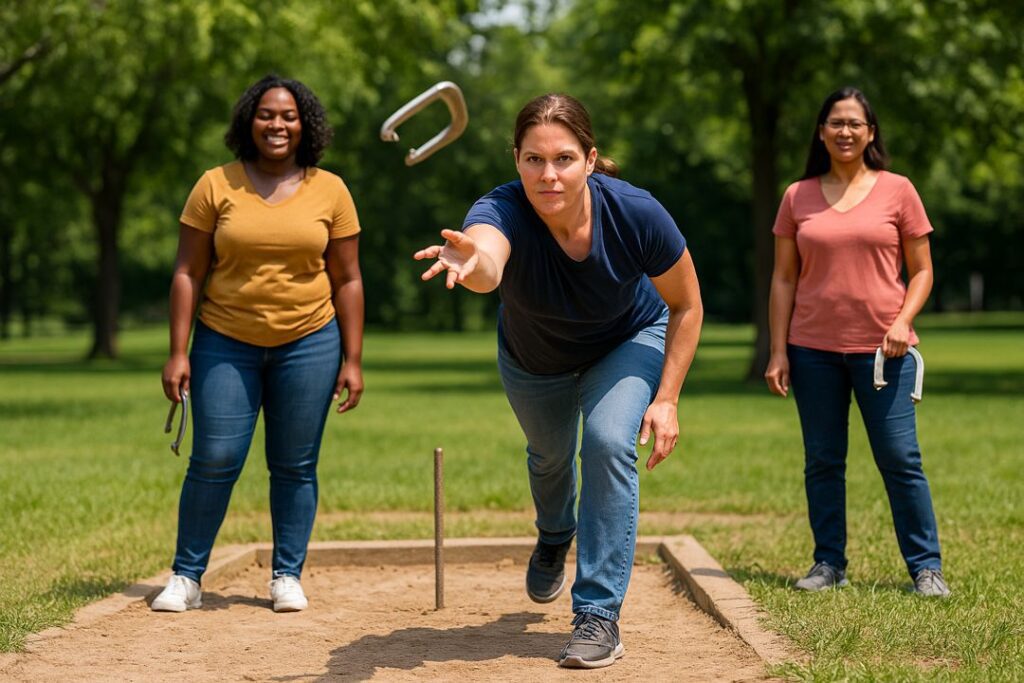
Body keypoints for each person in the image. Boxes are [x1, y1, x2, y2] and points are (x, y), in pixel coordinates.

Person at [414, 94, 703, 668]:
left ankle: (598, 615)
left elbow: (687, 306)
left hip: (626, 342)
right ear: (516, 160)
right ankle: (554, 535)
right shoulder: (501, 210)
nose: (548, 174)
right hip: (534, 358)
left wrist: (667, 397)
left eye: (564, 159)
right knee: (548, 458)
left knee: (605, 442)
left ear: (590, 160)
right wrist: (473, 265)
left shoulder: (636, 213)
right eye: (533, 160)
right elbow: (490, 257)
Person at [153, 75, 364, 613]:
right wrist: (178, 351)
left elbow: (347, 279)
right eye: (267, 114)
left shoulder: (331, 190)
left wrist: (353, 359)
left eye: (289, 116)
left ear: (305, 125)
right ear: (250, 121)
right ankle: (186, 576)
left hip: (310, 343)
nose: (277, 124)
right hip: (225, 341)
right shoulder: (214, 185)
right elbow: (187, 272)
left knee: (295, 464)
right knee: (216, 456)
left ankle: (286, 576)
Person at [764, 86, 949, 598]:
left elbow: (923, 272)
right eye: (835, 122)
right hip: (811, 350)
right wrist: (778, 351)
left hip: (883, 352)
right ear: (821, 131)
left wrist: (901, 321)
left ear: (870, 133)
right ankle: (829, 563)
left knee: (899, 458)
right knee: (823, 460)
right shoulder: (796, 196)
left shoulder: (898, 190)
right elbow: (783, 279)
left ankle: (925, 567)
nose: (845, 131)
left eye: (855, 124)